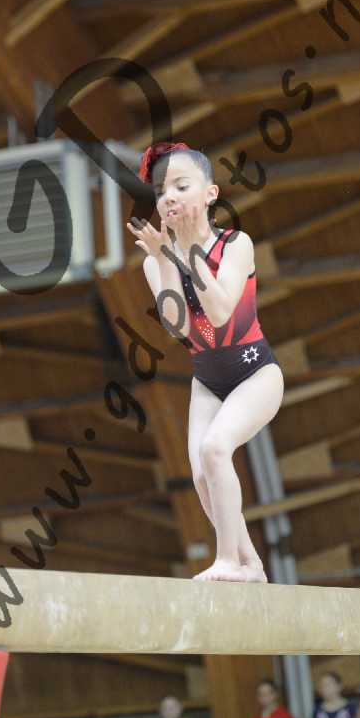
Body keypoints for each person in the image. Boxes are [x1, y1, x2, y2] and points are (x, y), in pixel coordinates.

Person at [128, 141, 284, 583]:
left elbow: (218, 312)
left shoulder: (236, 245)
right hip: (208, 381)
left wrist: (189, 251)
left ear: (211, 194)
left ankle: (228, 560)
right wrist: (165, 258)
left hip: (257, 374)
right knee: (201, 475)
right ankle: (251, 563)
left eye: (181, 186)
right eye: (161, 191)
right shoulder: (155, 260)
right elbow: (178, 326)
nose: (169, 197)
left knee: (216, 449)